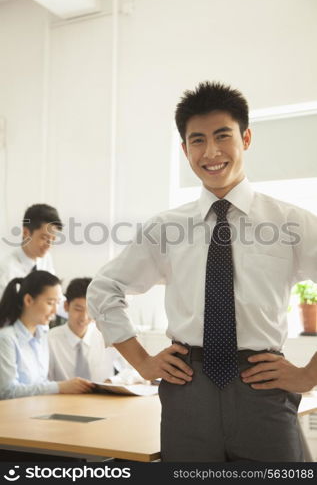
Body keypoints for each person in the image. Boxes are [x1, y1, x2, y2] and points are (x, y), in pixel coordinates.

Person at [87, 81, 317, 462]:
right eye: (197, 140)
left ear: (246, 138)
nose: (211, 152)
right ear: (184, 149)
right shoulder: (165, 228)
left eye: (222, 136)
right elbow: (104, 289)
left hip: (262, 387)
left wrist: (310, 373)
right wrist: (142, 362)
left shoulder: (292, 222)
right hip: (187, 388)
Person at [0, 271, 93, 399]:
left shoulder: (42, 336)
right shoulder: (6, 339)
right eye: (50, 303)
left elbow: (40, 384)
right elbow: (7, 391)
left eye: (57, 303)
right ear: (28, 300)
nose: (55, 311)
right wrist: (60, 387)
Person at [48, 278, 120, 382]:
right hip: (63, 397)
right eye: (78, 309)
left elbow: (132, 372)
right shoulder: (50, 340)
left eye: (90, 310)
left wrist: (113, 380)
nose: (84, 317)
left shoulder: (107, 337)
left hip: (103, 397)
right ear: (66, 306)